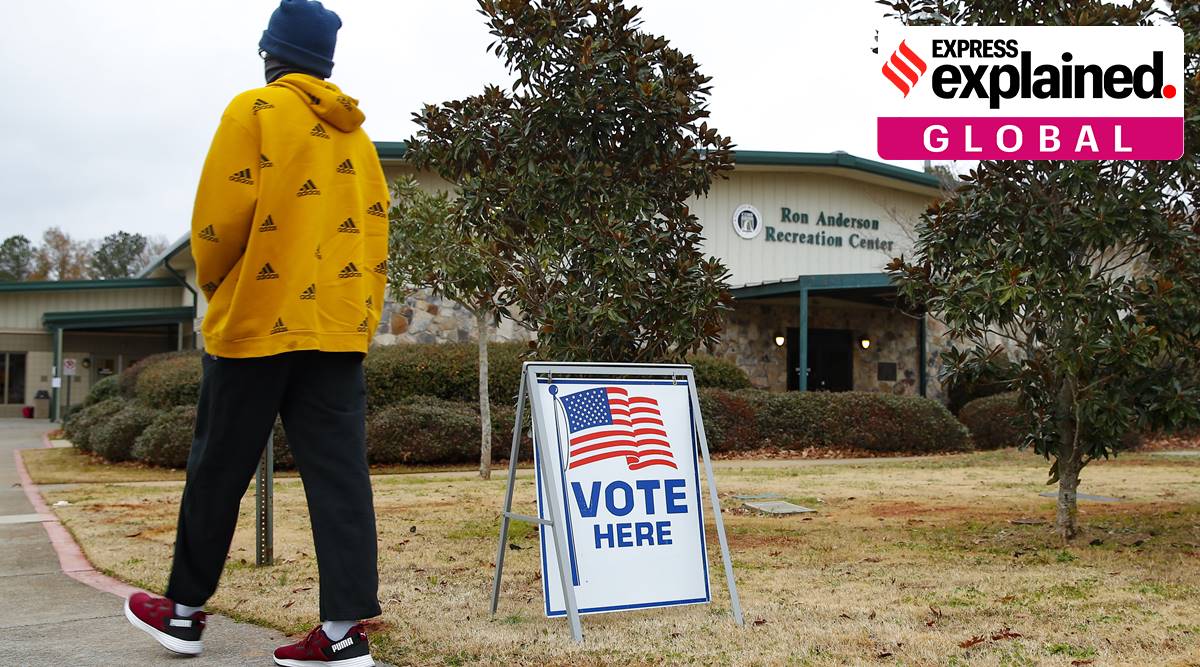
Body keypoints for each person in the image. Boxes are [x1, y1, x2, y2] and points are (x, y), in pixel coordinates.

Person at [123, 2, 388, 665]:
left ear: (273, 53)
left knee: (219, 466)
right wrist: (355, 317)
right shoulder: (356, 138)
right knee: (341, 478)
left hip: (257, 323)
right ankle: (342, 632)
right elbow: (378, 237)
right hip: (335, 330)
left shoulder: (255, 112)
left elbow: (216, 225)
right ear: (324, 62)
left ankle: (182, 613)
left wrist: (223, 290)